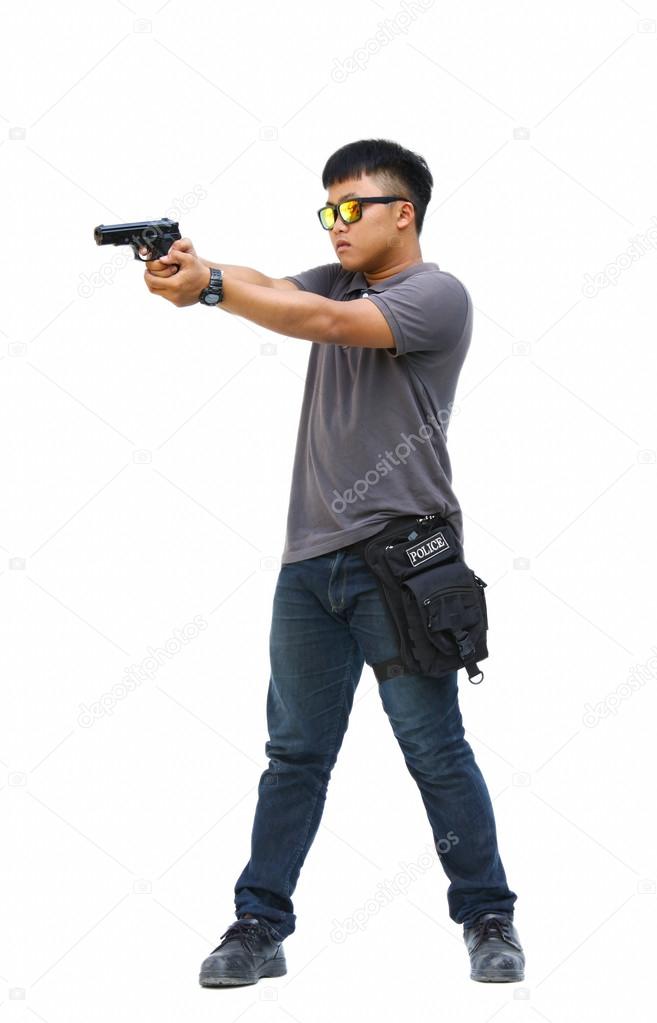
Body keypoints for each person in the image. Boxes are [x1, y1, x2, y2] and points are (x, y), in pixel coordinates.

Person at [144, 137, 525, 987]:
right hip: (309, 565)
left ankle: (489, 915)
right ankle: (258, 924)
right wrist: (195, 265)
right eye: (328, 210)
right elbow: (279, 289)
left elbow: (317, 323)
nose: (336, 224)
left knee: (435, 748)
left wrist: (207, 289)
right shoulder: (339, 277)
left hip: (404, 562)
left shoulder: (434, 295)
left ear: (405, 213)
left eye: (352, 208)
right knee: (295, 754)